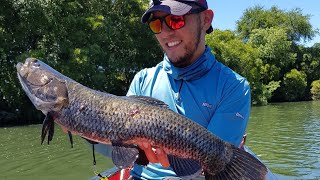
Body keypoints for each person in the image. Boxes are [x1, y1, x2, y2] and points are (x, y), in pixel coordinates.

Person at [94, 0, 251, 179]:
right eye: (156, 24)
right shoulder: (142, 79)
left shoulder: (234, 87)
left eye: (176, 20)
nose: (166, 33)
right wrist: (88, 132)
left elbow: (217, 166)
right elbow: (115, 150)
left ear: (206, 20)